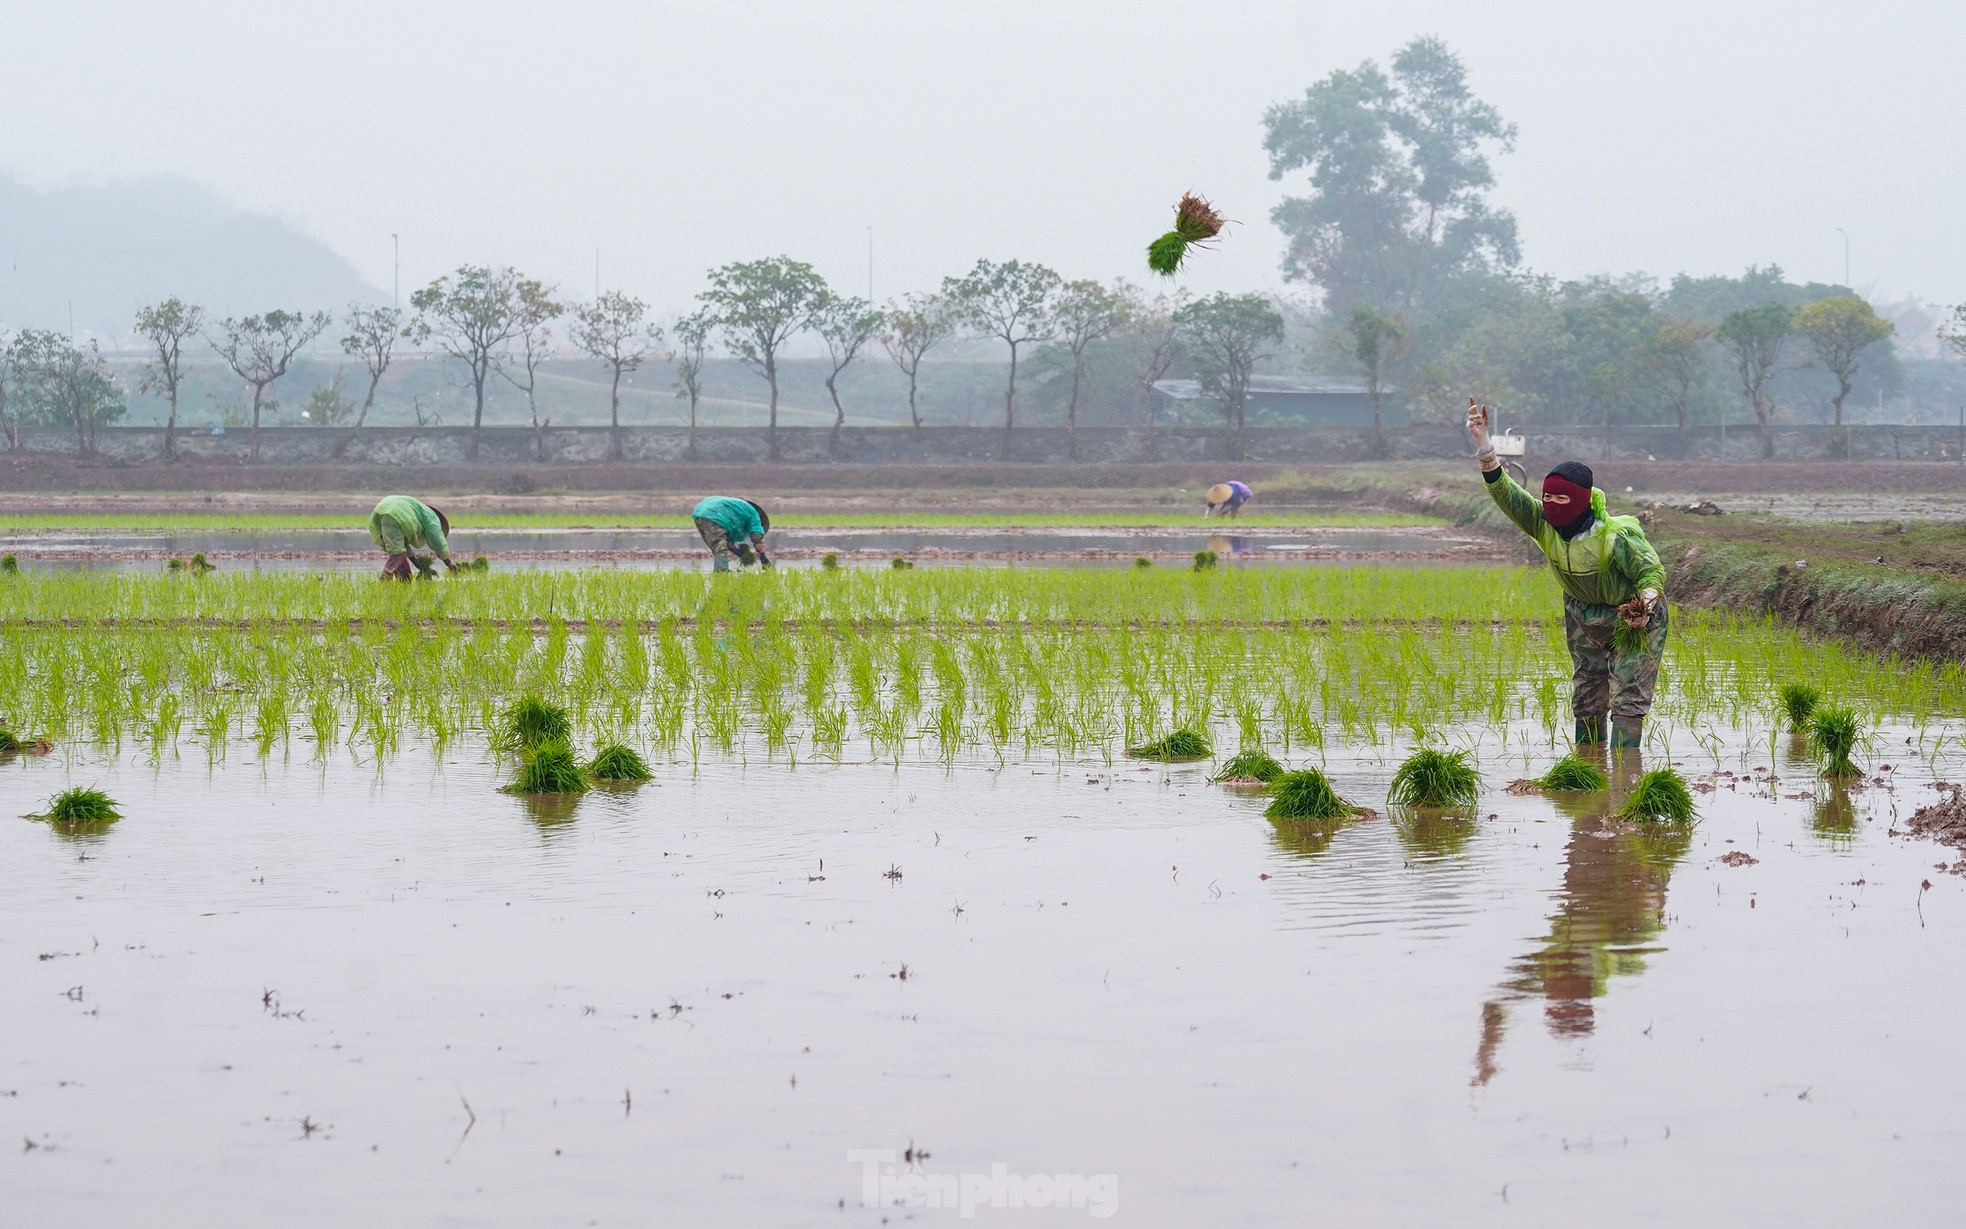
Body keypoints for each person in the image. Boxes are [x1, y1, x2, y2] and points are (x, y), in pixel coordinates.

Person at [1467, 397, 1666, 748]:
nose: (1553, 506)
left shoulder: (1615, 536)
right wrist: (1483, 442)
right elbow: (1505, 493)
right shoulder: (1541, 524)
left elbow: (1650, 573)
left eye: (1563, 500)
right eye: (1548, 498)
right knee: (1587, 695)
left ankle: (1625, 776)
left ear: (1584, 500)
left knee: (1628, 696)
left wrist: (1645, 606)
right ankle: (1589, 772)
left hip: (1632, 616)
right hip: (1581, 613)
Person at [368, 495, 457, 581]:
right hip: (396, 513)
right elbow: (437, 541)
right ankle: (385, 578)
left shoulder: (417, 510)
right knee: (397, 554)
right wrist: (448, 562)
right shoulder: (432, 518)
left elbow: (405, 549)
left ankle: (403, 584)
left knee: (400, 558)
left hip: (381, 510)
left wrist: (421, 567)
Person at [692, 496, 774, 573]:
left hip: (699, 513)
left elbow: (728, 543)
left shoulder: (738, 510)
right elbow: (757, 537)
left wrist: (739, 552)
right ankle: (721, 574)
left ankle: (721, 572)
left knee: (718, 547)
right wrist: (763, 555)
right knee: (720, 549)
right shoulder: (754, 513)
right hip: (715, 515)